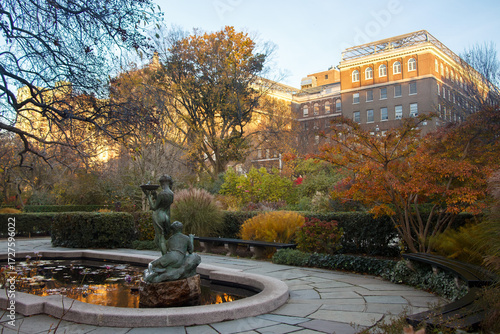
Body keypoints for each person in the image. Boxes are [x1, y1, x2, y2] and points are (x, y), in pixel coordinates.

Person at [143, 175, 174, 255]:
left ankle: (165, 258)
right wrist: (155, 195)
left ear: (162, 183)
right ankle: (165, 254)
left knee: (161, 238)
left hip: (158, 215)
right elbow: (162, 203)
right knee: (157, 240)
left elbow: (154, 207)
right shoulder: (171, 193)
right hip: (165, 216)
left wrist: (148, 196)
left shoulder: (162, 194)